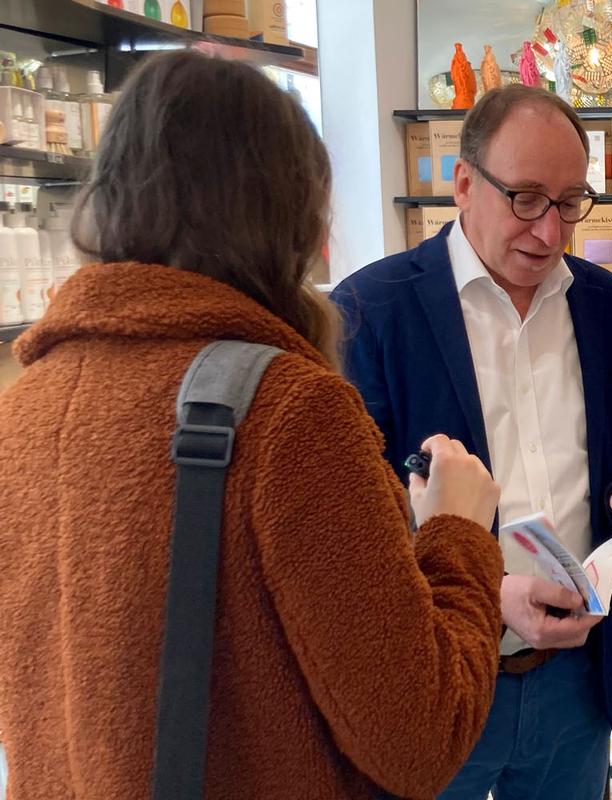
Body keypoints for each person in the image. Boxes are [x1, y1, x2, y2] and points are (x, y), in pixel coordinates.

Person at [0, 51, 506, 800]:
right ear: (289, 211)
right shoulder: (288, 414)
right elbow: (421, 738)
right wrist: (457, 534)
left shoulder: (24, 406)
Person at [332, 83, 612, 800]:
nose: (550, 232)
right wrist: (490, 594)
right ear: (462, 183)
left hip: (574, 687)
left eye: (570, 202)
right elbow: (347, 522)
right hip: (436, 681)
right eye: (525, 198)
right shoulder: (372, 310)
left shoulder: (607, 307)